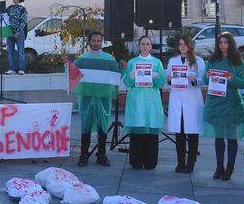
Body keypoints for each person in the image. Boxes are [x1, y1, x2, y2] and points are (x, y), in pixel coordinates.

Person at [74, 31, 119, 167]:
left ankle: (101, 154)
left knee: (103, 125)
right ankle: (83, 154)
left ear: (102, 42)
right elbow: (72, 73)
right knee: (86, 125)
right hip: (87, 97)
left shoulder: (109, 59)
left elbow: (116, 75)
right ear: (89, 41)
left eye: (99, 41)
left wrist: (123, 69)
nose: (96, 43)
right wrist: (67, 66)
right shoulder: (82, 58)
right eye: (94, 40)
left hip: (103, 97)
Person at [203, 32, 244, 181]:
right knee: (218, 137)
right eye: (220, 42)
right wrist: (207, 77)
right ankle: (219, 166)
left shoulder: (237, 62)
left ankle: (230, 167)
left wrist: (231, 78)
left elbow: (242, 82)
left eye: (226, 42)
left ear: (230, 44)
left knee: (231, 138)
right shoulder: (213, 60)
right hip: (216, 103)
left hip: (232, 104)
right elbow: (204, 78)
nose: (223, 45)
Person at [122, 36, 165, 170]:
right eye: (142, 44)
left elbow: (161, 83)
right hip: (137, 101)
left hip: (152, 101)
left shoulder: (157, 63)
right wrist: (131, 75)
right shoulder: (133, 62)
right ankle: (136, 161)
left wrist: (156, 76)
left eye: (147, 44)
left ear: (151, 46)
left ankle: (151, 161)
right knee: (137, 131)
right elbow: (127, 83)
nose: (145, 46)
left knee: (151, 132)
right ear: (139, 46)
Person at [166, 35, 205, 174]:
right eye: (180, 44)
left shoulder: (198, 61)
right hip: (177, 99)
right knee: (180, 133)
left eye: (185, 44)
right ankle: (180, 162)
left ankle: (191, 162)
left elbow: (203, 80)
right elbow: (168, 78)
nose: (182, 47)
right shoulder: (173, 61)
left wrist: (194, 79)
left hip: (192, 100)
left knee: (192, 133)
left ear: (190, 45)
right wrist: (169, 79)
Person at [6, 0, 29, 75]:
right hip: (10, 33)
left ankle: (21, 69)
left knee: (20, 52)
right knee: (10, 52)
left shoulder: (23, 9)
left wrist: (18, 33)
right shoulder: (10, 7)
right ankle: (11, 69)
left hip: (19, 34)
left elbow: (23, 22)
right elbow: (5, 15)